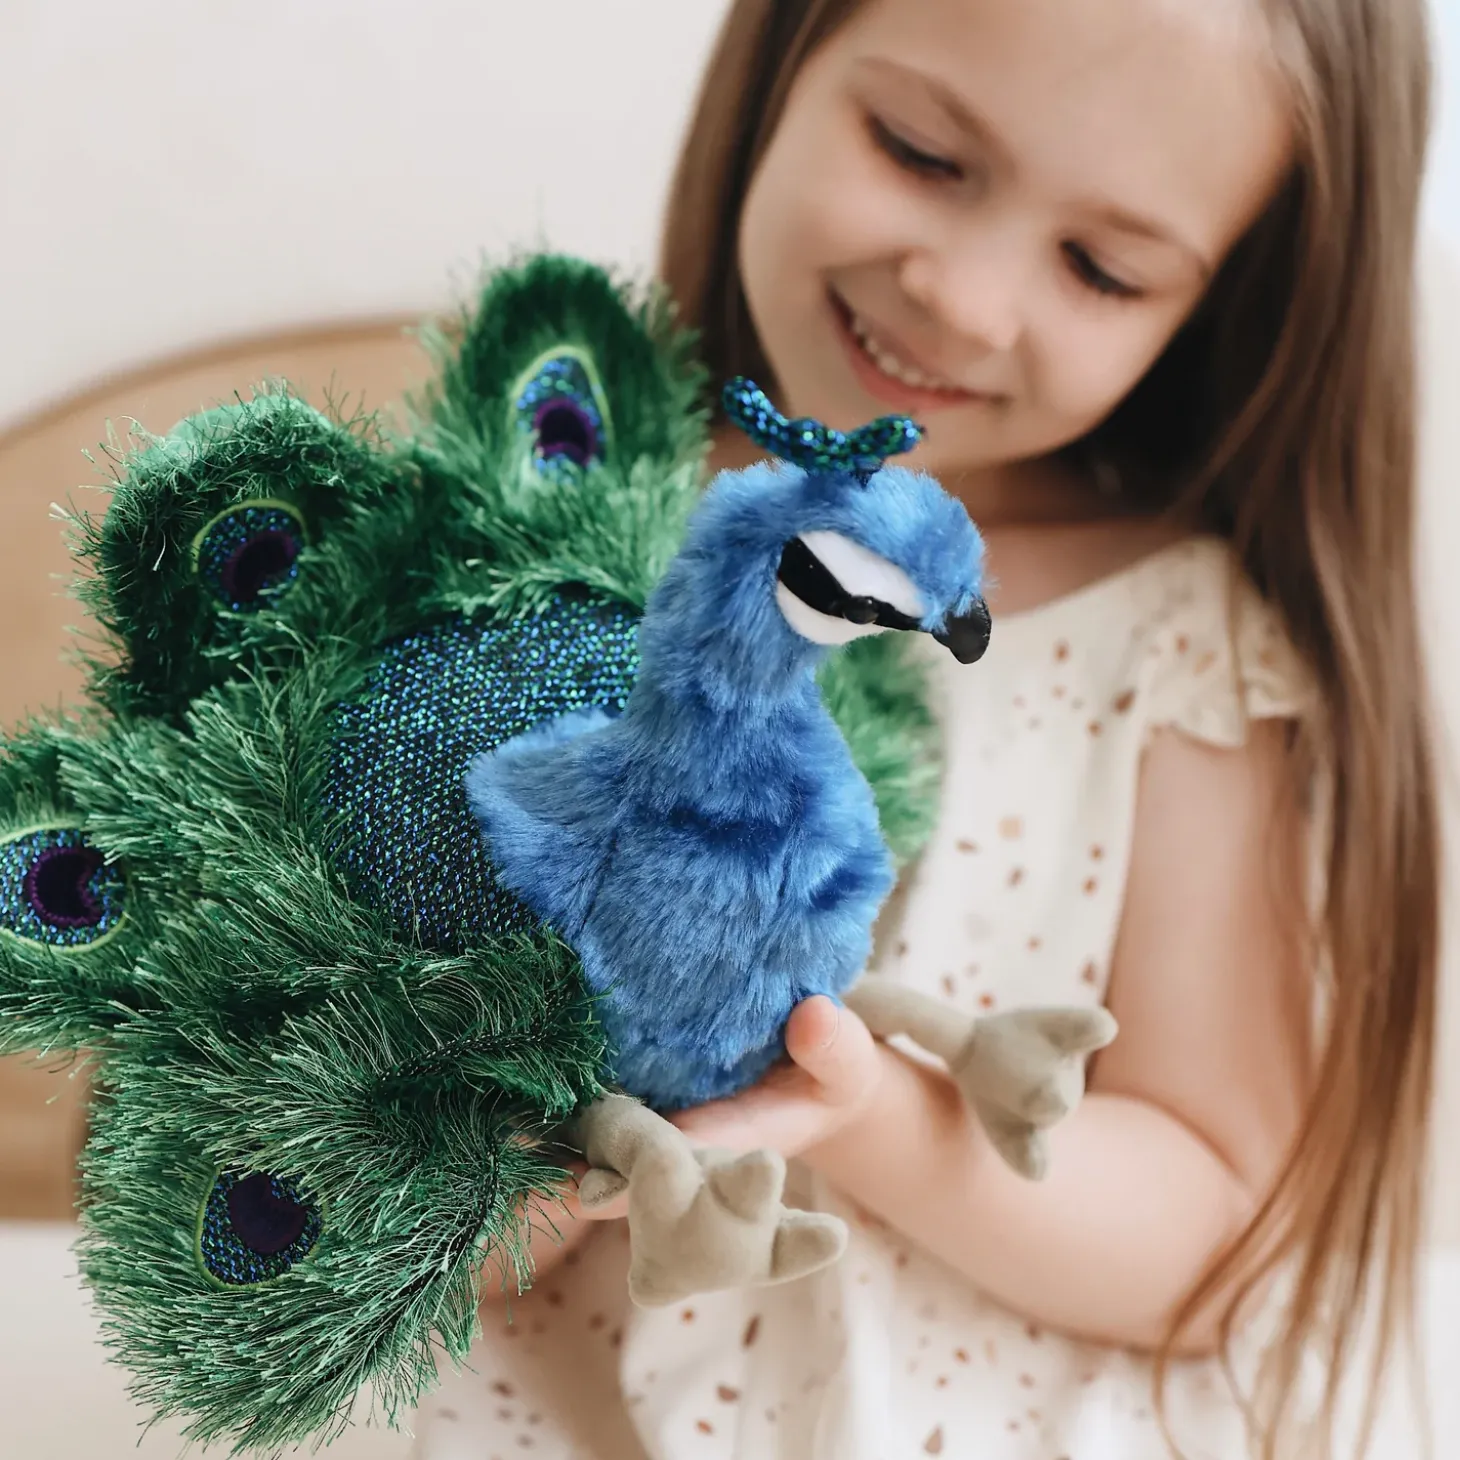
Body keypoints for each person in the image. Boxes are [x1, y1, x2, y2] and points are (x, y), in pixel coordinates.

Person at [409, 0, 1440, 1455]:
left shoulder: (1172, 640)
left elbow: (1215, 1226)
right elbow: (300, 1128)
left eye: (1101, 266)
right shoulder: (538, 530)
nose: (962, 300)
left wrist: (865, 1109)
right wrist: (521, 1173)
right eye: (920, 151)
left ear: (1222, 306)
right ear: (786, 59)